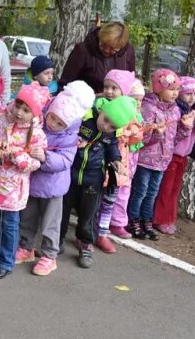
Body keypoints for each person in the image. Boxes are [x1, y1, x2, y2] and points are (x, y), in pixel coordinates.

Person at [19, 81, 95, 276]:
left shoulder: (70, 137)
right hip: (32, 181)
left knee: (50, 223)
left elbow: (65, 160)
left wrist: (45, 157)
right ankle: (26, 247)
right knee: (27, 217)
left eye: (60, 123)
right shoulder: (38, 123)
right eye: (52, 118)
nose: (53, 124)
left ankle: (49, 255)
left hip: (53, 186)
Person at [0, 83, 49, 279]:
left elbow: (36, 163)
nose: (19, 112)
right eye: (18, 106)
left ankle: (6, 261)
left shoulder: (36, 134)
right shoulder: (1, 117)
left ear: (34, 113)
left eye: (26, 110)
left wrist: (16, 155)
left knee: (10, 225)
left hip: (13, 189)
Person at [60, 95, 138, 269]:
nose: (106, 126)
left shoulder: (112, 133)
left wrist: (116, 161)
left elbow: (112, 148)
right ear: (103, 111)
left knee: (88, 214)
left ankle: (86, 244)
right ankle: (57, 242)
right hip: (70, 174)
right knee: (63, 210)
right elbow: (67, 132)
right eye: (106, 120)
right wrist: (73, 141)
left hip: (93, 178)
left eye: (112, 126)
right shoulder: (86, 117)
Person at [152, 76, 195, 235]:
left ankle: (169, 218)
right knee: (165, 188)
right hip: (170, 155)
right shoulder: (175, 109)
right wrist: (185, 126)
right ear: (179, 93)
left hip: (183, 156)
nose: (192, 97)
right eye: (188, 93)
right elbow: (174, 134)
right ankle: (160, 219)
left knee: (174, 189)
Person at [127, 69, 182, 240]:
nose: (175, 93)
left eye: (177, 89)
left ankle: (146, 219)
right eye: (171, 89)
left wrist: (186, 130)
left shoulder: (175, 110)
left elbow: (175, 137)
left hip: (162, 160)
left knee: (152, 192)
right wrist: (157, 133)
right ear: (159, 88)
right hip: (146, 159)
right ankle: (133, 218)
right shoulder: (149, 108)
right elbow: (142, 138)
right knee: (140, 191)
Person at [94, 70, 144, 253]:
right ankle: (89, 232)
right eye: (106, 86)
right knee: (94, 199)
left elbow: (137, 137)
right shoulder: (98, 106)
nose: (109, 91)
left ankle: (103, 233)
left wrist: (132, 134)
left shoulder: (131, 112)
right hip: (98, 160)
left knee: (109, 199)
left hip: (118, 162)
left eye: (114, 88)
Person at [110, 79, 146, 237]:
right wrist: (126, 133)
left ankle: (118, 222)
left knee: (124, 191)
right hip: (118, 158)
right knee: (111, 190)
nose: (138, 103)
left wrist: (138, 132)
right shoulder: (119, 114)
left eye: (140, 100)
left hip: (131, 161)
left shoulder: (138, 116)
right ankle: (105, 221)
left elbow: (138, 139)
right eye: (134, 99)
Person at [59, 21, 136, 93]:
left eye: (112, 49)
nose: (106, 50)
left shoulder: (128, 51)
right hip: (87, 101)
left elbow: (131, 81)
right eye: (103, 45)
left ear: (121, 46)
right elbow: (65, 84)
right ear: (99, 37)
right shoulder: (83, 50)